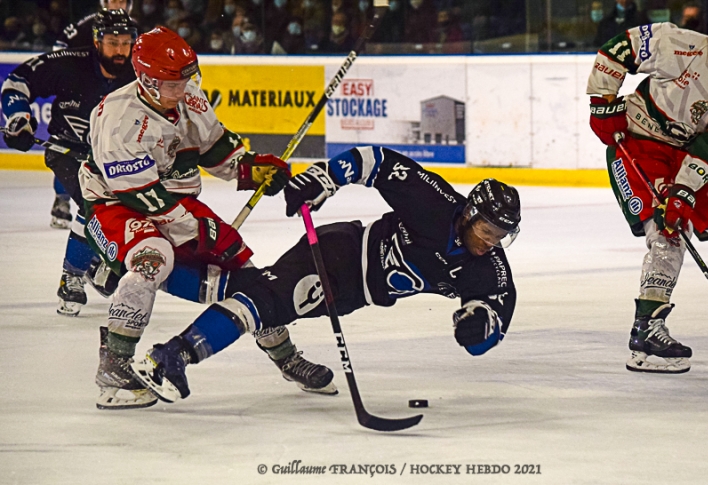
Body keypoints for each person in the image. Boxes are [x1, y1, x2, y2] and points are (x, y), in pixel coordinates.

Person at [129, 147, 521, 404]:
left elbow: (494, 314)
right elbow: (378, 161)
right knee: (269, 302)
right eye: (487, 231)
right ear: (469, 214)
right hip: (341, 252)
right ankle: (171, 356)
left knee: (252, 293)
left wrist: (478, 331)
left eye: (501, 236)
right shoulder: (435, 202)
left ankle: (157, 276)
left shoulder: (487, 266)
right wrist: (325, 177)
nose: (491, 242)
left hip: (351, 294)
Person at [80, 26, 335, 410]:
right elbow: (146, 199)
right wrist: (201, 232)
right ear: (147, 81)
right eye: (173, 84)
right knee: (153, 257)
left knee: (247, 274)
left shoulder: (188, 94)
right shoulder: (118, 119)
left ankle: (286, 357)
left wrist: (249, 169)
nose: (183, 90)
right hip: (117, 205)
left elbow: (214, 146)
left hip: (170, 197)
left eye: (187, 79)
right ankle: (115, 366)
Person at [587, 4, 708, 374]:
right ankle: (646, 329)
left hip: (689, 157)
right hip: (639, 142)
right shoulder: (676, 43)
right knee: (668, 231)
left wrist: (683, 192)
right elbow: (617, 50)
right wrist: (602, 102)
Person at [2, 10, 137, 316]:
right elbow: (17, 81)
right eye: (112, 42)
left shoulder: (138, 71)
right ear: (96, 40)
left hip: (115, 157)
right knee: (96, 205)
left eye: (126, 43)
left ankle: (96, 263)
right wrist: (18, 117)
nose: (120, 50)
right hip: (68, 151)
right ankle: (74, 276)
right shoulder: (69, 63)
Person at [50, 0, 136, 229]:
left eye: (122, 0)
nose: (117, 4)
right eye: (113, 0)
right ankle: (63, 198)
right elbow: (58, 57)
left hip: (117, 96)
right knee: (72, 146)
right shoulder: (83, 27)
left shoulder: (135, 29)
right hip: (85, 96)